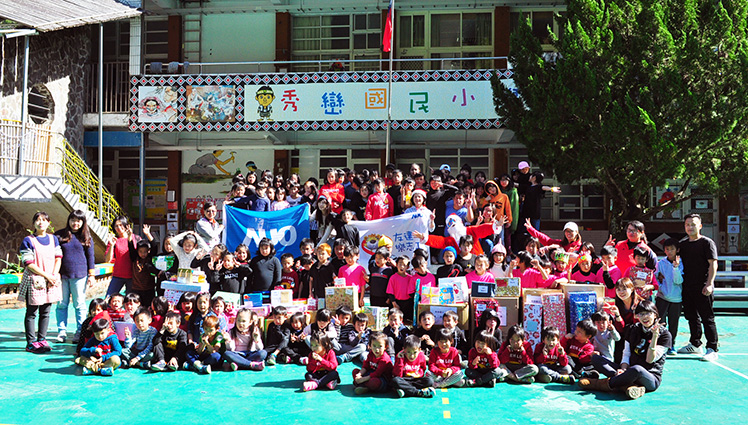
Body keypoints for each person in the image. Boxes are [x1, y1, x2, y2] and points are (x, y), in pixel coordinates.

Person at [582, 300, 672, 400]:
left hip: (649, 376)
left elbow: (649, 360)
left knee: (637, 369)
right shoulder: (633, 329)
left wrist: (655, 336)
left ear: (655, 315)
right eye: (641, 314)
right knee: (596, 359)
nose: (644, 317)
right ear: (637, 316)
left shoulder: (665, 335)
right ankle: (628, 386)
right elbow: (626, 353)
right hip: (628, 371)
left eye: (648, 313)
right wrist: (623, 369)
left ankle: (598, 384)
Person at [677, 213, 719, 361]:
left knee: (707, 318)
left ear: (700, 226)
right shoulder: (682, 245)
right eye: (687, 224)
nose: (690, 227)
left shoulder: (707, 243)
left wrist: (709, 283)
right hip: (687, 286)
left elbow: (713, 264)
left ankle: (712, 348)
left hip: (703, 286)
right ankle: (695, 344)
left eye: (693, 224)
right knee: (691, 317)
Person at [19, 212, 62, 353]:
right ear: (33, 223)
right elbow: (29, 263)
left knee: (46, 312)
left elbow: (58, 258)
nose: (41, 222)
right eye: (38, 220)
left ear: (49, 223)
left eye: (44, 220)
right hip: (35, 280)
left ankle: (42, 339)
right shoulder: (28, 240)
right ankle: (31, 342)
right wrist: (47, 276)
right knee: (32, 312)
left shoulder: (53, 239)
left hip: (50, 280)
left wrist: (53, 275)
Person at [54, 210, 95, 343]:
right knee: (61, 304)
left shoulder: (86, 237)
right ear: (69, 220)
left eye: (78, 221)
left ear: (83, 222)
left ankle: (80, 332)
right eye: (73, 220)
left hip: (79, 275)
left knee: (79, 304)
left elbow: (90, 257)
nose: (75, 223)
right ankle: (62, 331)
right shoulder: (59, 235)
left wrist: (91, 275)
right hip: (62, 276)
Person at [656, 238, 683, 354]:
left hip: (676, 298)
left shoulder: (681, 263)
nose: (669, 251)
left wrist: (676, 268)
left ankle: (672, 345)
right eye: (667, 249)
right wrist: (660, 287)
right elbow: (655, 278)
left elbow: (678, 281)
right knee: (660, 322)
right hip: (662, 297)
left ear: (677, 250)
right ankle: (661, 344)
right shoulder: (660, 263)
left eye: (672, 249)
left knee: (673, 323)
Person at [106, 216, 141, 297]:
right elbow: (107, 260)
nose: (119, 228)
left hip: (133, 276)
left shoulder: (136, 238)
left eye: (121, 225)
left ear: (126, 225)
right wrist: (111, 245)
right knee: (109, 298)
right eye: (116, 226)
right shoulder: (114, 240)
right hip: (118, 275)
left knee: (131, 300)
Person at [386, 256, 415, 322]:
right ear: (396, 265)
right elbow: (390, 292)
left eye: (404, 265)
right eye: (400, 264)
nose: (402, 266)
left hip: (408, 303)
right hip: (397, 302)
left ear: (408, 267)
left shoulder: (410, 278)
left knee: (407, 320)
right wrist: (394, 303)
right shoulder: (393, 277)